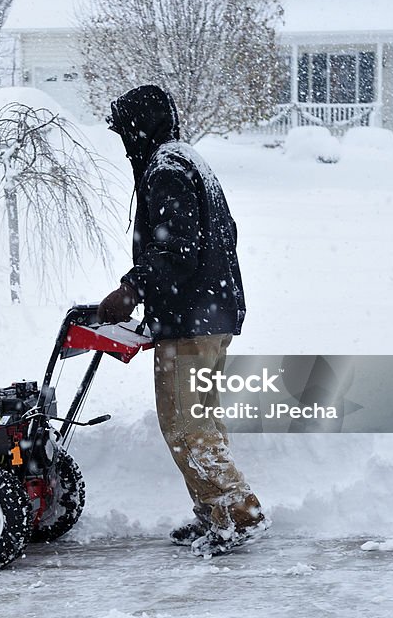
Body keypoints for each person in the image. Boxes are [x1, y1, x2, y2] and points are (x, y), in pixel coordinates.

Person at [97, 84, 267, 557]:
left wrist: (132, 288)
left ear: (141, 128)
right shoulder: (186, 158)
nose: (125, 142)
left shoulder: (166, 169)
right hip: (209, 313)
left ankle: (238, 515)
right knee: (200, 422)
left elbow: (178, 250)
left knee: (185, 426)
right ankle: (216, 512)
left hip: (194, 320)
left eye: (127, 132)